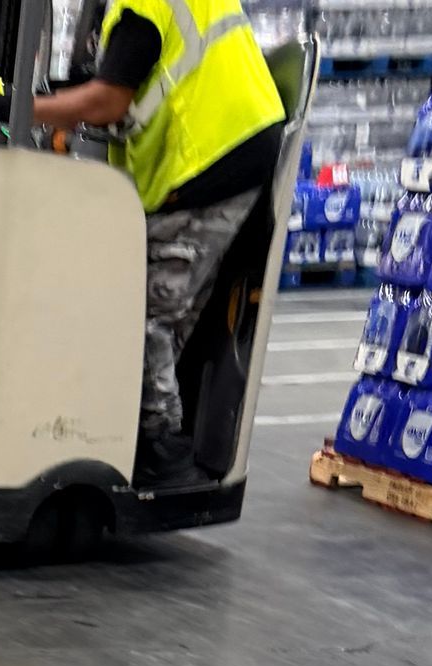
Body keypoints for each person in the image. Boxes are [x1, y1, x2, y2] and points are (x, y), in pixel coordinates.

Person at [35, 0, 284, 485]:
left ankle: (160, 450)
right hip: (232, 143)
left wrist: (28, 108)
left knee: (145, 313)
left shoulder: (139, 8)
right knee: (169, 311)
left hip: (212, 157)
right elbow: (122, 80)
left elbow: (109, 100)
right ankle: (160, 432)